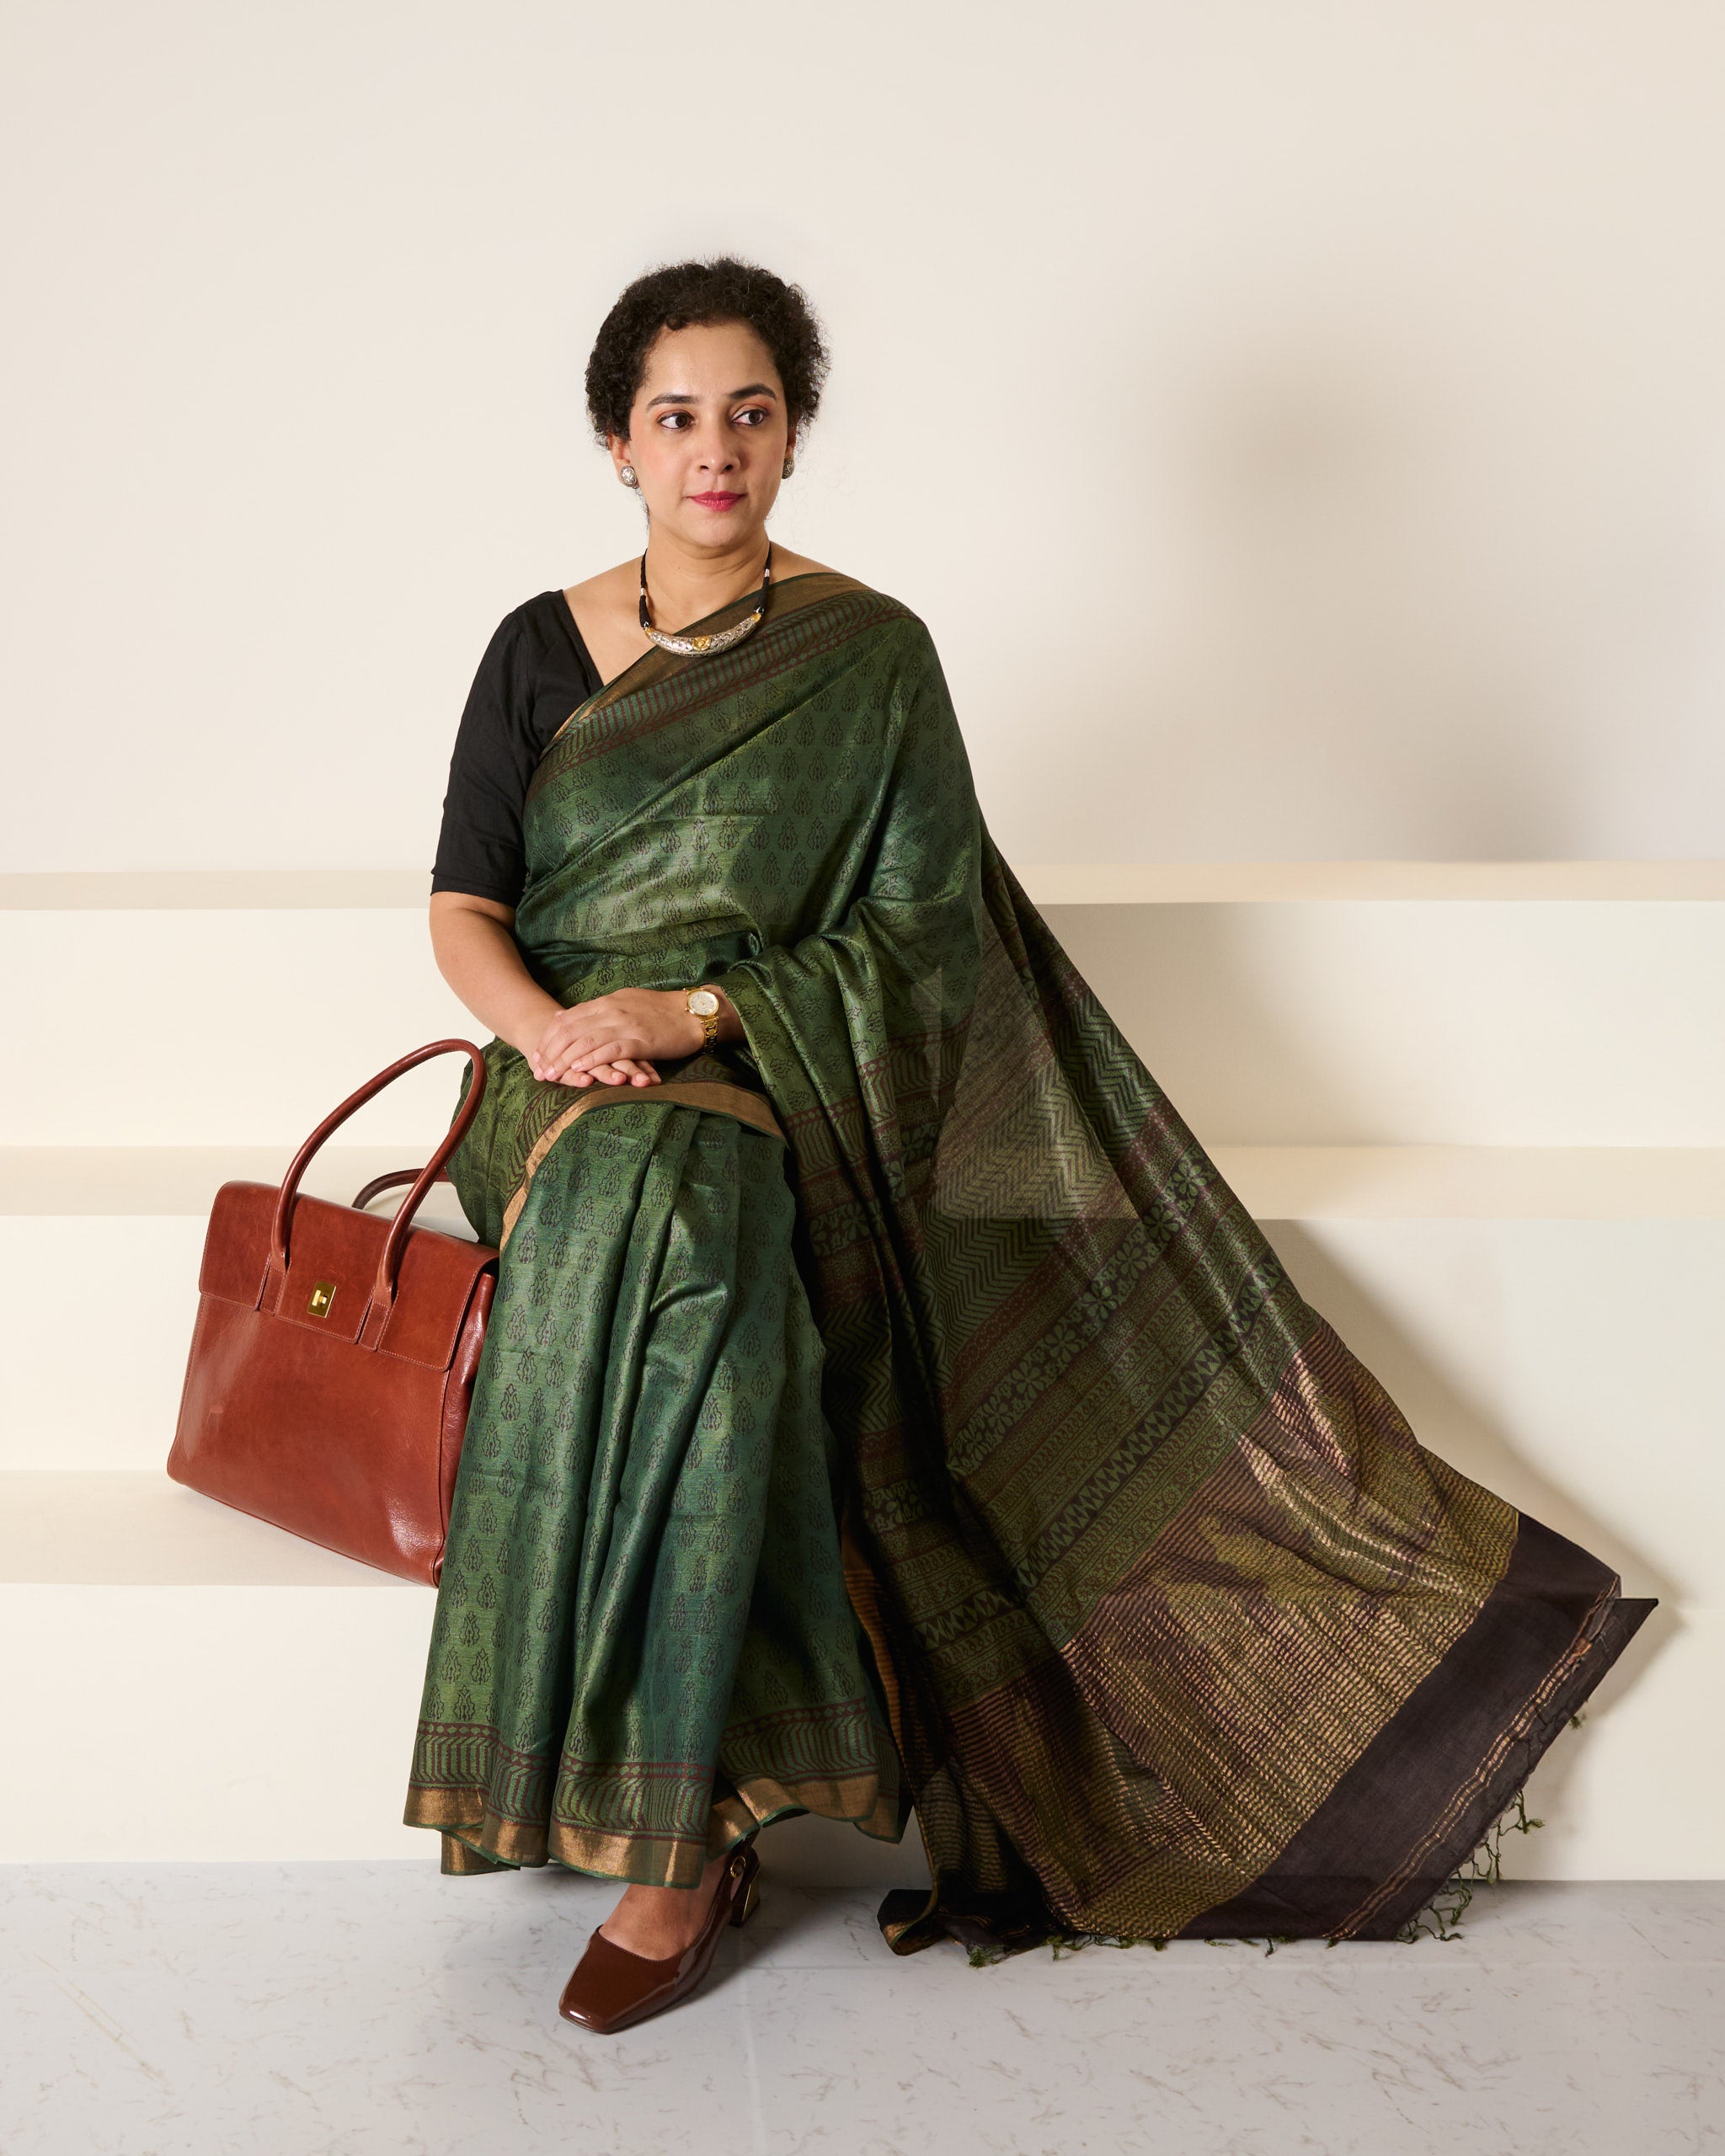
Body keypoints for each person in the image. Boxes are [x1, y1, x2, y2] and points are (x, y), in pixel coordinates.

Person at [405, 257, 1655, 2036]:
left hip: (755, 1065)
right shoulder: (535, 648)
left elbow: (919, 943)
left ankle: (673, 1839)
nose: (715, 449)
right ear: (617, 441)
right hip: (553, 1069)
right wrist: (558, 1032)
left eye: (750, 412)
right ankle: (667, 1789)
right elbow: (463, 904)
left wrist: (688, 1016)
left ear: (792, 434)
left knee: (694, 1221)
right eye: (676, 415)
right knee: (654, 1212)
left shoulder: (871, 654)